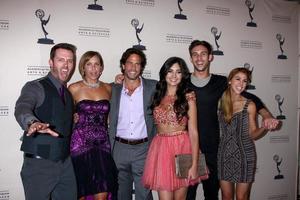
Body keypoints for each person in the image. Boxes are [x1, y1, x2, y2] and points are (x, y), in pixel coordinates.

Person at [186, 40, 279, 200]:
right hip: (187, 147)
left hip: (215, 150)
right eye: (195, 54)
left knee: (212, 195)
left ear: (210, 57)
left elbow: (250, 97)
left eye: (203, 54)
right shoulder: (182, 82)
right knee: (188, 195)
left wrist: (266, 115)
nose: (199, 58)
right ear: (191, 58)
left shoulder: (221, 82)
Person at [14, 43, 77, 200]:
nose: (66, 65)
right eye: (61, 60)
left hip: (65, 163)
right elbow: (22, 107)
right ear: (51, 62)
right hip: (39, 166)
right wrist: (31, 122)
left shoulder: (68, 94)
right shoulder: (35, 86)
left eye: (70, 60)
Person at [142, 57, 202, 200]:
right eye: (170, 71)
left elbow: (193, 132)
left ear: (183, 75)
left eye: (178, 72)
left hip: (183, 147)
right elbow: (135, 81)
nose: (174, 76)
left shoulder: (188, 97)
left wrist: (194, 164)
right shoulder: (156, 93)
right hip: (161, 149)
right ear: (164, 73)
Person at [68, 51, 118, 200]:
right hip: (80, 145)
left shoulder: (109, 89)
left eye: (97, 64)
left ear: (101, 68)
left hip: (102, 146)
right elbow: (64, 115)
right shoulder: (73, 88)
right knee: (81, 192)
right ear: (83, 67)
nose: (93, 68)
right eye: (89, 64)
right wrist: (72, 117)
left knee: (103, 192)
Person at [109, 48, 157, 200]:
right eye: (129, 63)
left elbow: (175, 90)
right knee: (121, 194)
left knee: (144, 193)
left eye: (137, 64)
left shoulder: (153, 87)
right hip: (119, 148)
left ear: (142, 67)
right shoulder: (112, 89)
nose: (133, 67)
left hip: (144, 148)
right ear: (123, 65)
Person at [217, 67, 267, 200]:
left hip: (245, 154)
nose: (241, 83)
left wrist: (264, 127)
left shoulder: (249, 105)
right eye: (238, 79)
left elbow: (253, 134)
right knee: (226, 196)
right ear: (229, 81)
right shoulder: (220, 102)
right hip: (224, 154)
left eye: (245, 81)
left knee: (241, 197)